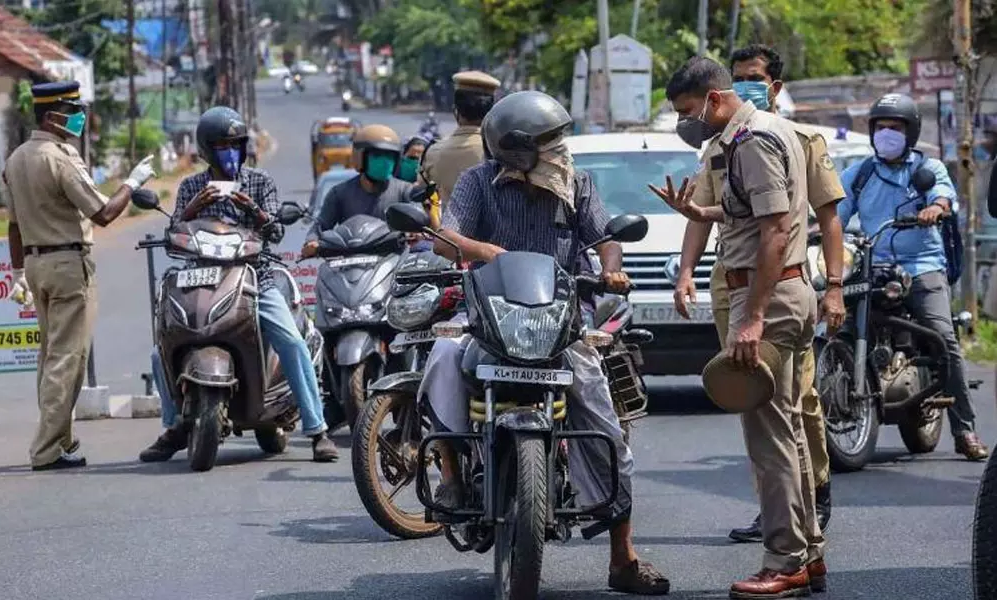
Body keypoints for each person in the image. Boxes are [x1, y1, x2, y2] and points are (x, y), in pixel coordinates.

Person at [419, 90, 670, 595]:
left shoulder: (577, 184)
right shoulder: (477, 183)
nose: (560, 147)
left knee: (604, 420)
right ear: (515, 149)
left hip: (561, 321)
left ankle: (623, 557)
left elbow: (606, 237)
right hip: (489, 315)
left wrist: (612, 270)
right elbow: (445, 239)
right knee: (444, 355)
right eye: (549, 140)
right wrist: (478, 249)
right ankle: (450, 468)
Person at [658, 44, 843, 544]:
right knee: (783, 427)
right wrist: (702, 216)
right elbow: (752, 214)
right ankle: (809, 550)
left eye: (686, 111)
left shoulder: (755, 139)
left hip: (770, 294)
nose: (686, 122)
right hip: (770, 289)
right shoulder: (746, 137)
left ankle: (785, 557)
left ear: (713, 99)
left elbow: (778, 231)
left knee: (771, 435)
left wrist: (753, 317)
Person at [140, 106, 338, 464]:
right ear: (206, 149)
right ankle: (174, 426)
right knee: (161, 346)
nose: (230, 152)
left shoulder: (261, 183)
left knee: (291, 341)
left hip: (253, 277)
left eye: (236, 144)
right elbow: (173, 236)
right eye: (221, 145)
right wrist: (191, 210)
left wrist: (255, 211)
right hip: (200, 278)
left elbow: (276, 231)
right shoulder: (190, 187)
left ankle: (317, 429)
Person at [0, 81, 157, 471]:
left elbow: (14, 227)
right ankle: (47, 449)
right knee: (67, 359)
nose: (79, 118)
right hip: (68, 264)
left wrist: (18, 271)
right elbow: (102, 213)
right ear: (53, 116)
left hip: (36, 266)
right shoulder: (60, 158)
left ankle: (62, 439)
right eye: (72, 110)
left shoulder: (16, 159)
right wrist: (133, 182)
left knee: (51, 356)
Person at [837, 93, 989, 461]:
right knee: (835, 321)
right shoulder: (859, 173)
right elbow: (835, 212)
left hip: (922, 265)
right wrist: (815, 229)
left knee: (943, 338)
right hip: (872, 264)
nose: (886, 134)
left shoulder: (928, 168)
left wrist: (935, 208)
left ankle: (964, 429)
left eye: (895, 127)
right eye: (881, 127)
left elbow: (943, 196)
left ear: (911, 132)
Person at [301, 124, 414, 257]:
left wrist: (415, 233)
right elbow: (320, 225)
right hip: (349, 265)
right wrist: (312, 242)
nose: (385, 162)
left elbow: (418, 220)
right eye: (377, 156)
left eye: (389, 157)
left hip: (392, 263)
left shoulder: (404, 191)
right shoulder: (339, 193)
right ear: (360, 157)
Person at [420, 70, 500, 206]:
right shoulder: (503, 154)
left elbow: (423, 197)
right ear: (491, 113)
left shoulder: (432, 153)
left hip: (446, 226)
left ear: (455, 110)